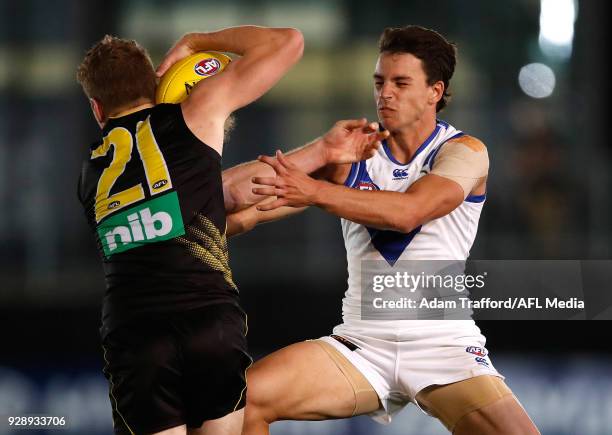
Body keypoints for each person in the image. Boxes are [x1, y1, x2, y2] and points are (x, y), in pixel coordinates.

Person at [223, 26, 540, 434]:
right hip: (362, 347)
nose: (385, 93)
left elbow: (409, 212)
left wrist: (316, 188)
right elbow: (241, 204)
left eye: (400, 82)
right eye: (379, 81)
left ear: (435, 91)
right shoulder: (351, 154)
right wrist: (319, 151)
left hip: (441, 345)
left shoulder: (464, 152)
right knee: (241, 404)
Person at [76, 26, 305, 435]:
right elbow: (288, 42)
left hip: (136, 331)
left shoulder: (89, 175)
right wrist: (198, 42)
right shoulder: (195, 112)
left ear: (97, 109)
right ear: (157, 84)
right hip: (208, 320)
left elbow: (154, 237)